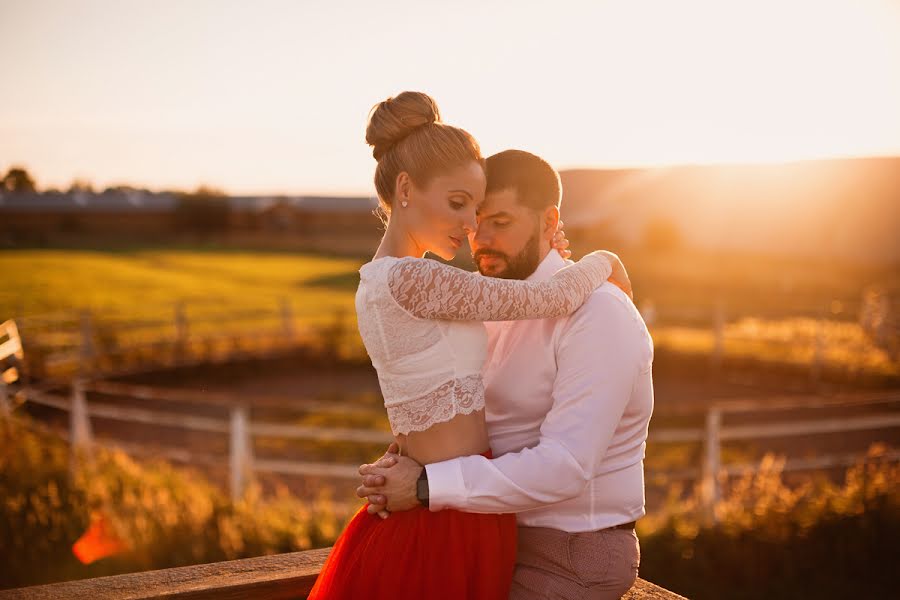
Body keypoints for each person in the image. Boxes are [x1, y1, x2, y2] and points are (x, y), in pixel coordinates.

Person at [306, 92, 631, 600]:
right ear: (406, 189)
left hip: (454, 507)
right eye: (461, 206)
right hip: (445, 519)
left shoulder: (389, 282)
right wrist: (606, 260)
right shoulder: (416, 281)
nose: (470, 229)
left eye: (482, 214)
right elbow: (545, 296)